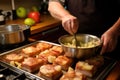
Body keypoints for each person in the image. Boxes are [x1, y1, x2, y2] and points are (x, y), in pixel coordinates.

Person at [48, 0, 120, 59]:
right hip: (75, 46)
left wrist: (115, 31)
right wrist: (65, 16)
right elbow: (53, 3)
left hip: (109, 43)